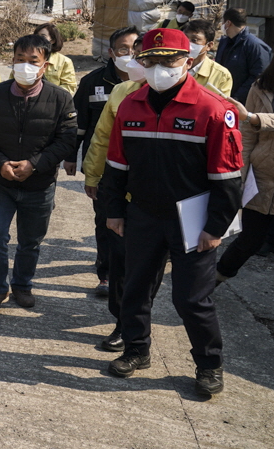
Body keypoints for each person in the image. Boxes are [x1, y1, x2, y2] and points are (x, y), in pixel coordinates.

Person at [100, 28, 243, 397]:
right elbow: (116, 164)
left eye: (170, 60)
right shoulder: (130, 105)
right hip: (143, 213)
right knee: (135, 287)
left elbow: (228, 179)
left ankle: (209, 364)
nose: (160, 67)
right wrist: (113, 211)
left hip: (194, 218)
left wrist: (215, 228)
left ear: (189, 62)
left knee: (191, 299)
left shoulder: (213, 109)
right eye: (151, 60)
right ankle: (136, 349)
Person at [0, 34, 77, 312]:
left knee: (30, 242)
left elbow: (66, 140)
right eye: (20, 59)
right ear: (12, 61)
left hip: (39, 185)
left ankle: (22, 285)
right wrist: (0, 163)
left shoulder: (60, 99)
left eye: (33, 61)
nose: (25, 66)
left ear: (45, 65)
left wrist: (35, 164)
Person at [80, 35, 165, 352]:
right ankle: (122, 318)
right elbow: (102, 138)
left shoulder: (181, 96)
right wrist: (93, 172)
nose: (139, 62)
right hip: (118, 193)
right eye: (138, 56)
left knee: (147, 268)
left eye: (147, 57)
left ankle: (132, 325)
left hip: (157, 201)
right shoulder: (120, 93)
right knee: (118, 262)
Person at [66, 26, 140, 299]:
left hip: (137, 168)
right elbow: (80, 124)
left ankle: (131, 270)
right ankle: (106, 274)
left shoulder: (150, 87)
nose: (130, 54)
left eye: (135, 49)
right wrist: (71, 156)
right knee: (106, 221)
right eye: (123, 49)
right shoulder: (93, 81)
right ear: (111, 52)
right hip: (103, 166)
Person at [216, 55, 274, 284]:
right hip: (261, 178)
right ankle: (214, 279)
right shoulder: (261, 86)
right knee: (249, 240)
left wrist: (253, 118)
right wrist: (240, 174)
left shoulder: (253, 113)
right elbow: (248, 135)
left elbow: (250, 121)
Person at [215, 8, 272, 102]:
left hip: (243, 103)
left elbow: (257, 77)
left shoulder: (256, 46)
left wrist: (236, 99)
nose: (221, 25)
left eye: (223, 22)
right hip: (221, 98)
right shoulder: (225, 42)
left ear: (228, 23)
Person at [184, 19, 233, 96]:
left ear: (209, 45)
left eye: (194, 40)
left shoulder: (221, 75)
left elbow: (222, 105)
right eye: (185, 39)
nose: (188, 43)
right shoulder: (171, 66)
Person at [35, 23, 77, 93]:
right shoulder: (25, 59)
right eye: (36, 36)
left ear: (52, 40)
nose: (38, 40)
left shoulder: (64, 62)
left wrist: (48, 94)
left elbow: (69, 87)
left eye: (43, 36)